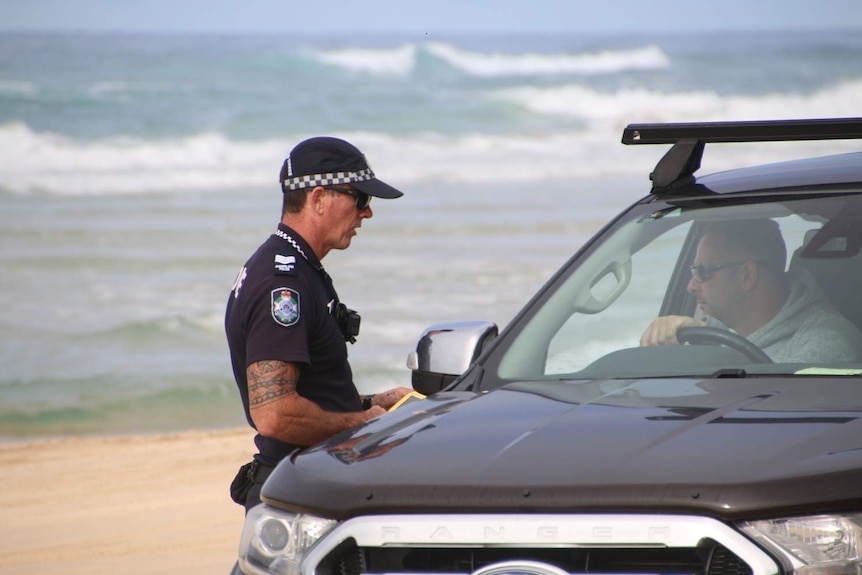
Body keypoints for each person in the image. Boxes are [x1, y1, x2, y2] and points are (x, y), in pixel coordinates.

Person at [225, 136, 413, 512]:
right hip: (299, 489)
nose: (367, 212)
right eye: (359, 198)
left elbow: (306, 394)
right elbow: (274, 415)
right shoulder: (283, 283)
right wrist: (363, 423)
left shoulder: (295, 265)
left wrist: (371, 402)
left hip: (308, 478)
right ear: (318, 198)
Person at [640, 218, 862, 363]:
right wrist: (665, 334)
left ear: (747, 275)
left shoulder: (827, 342)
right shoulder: (705, 333)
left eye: (702, 272)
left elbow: (779, 411)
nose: (691, 286)